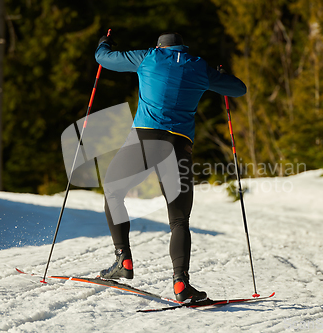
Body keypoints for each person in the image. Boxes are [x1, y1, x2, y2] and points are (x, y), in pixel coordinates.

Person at [95, 32, 246, 302]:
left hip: (145, 139)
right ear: (182, 47)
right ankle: (181, 284)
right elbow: (238, 89)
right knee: (179, 219)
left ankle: (123, 260)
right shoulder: (199, 65)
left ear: (159, 46)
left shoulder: (148, 57)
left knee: (113, 190)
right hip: (179, 146)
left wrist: (103, 43)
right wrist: (220, 75)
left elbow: (103, 59)